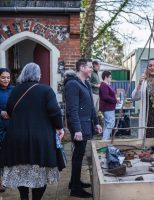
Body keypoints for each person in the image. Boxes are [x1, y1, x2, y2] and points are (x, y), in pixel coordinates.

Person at [1, 63, 64, 200]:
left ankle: (24, 197)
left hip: (16, 137)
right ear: (38, 75)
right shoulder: (46, 90)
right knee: (39, 172)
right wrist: (60, 128)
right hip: (40, 138)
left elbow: (10, 110)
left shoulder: (15, 90)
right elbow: (55, 112)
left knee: (20, 169)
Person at [64, 58, 102, 198]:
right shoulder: (73, 84)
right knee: (78, 155)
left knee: (78, 155)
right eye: (90, 67)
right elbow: (72, 110)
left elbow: (91, 106)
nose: (92, 69)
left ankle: (74, 181)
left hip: (86, 124)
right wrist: (77, 129)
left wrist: (96, 122)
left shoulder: (86, 83)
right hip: (79, 126)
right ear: (81, 68)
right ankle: (75, 188)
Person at [0, 68, 14, 193]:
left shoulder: (14, 90)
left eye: (8, 77)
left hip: (11, 127)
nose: (6, 80)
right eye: (3, 77)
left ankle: (6, 180)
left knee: (7, 154)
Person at [99, 71, 117, 140]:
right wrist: (115, 100)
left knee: (107, 124)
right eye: (110, 77)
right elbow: (105, 96)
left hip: (108, 108)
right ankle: (104, 141)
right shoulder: (104, 85)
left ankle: (105, 140)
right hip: (107, 108)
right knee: (110, 124)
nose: (111, 78)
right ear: (106, 77)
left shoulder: (107, 85)